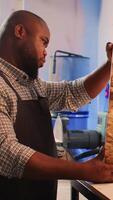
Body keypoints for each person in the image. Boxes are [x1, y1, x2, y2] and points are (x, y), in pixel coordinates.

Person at [0, 9, 113, 200]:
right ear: (20, 32)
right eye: (43, 41)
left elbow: (72, 93)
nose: (46, 52)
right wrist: (82, 170)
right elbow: (7, 152)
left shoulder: (31, 85)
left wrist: (110, 64)